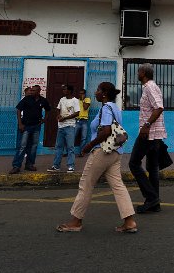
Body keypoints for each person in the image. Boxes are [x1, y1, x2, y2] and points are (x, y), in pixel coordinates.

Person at [57, 82, 137, 234]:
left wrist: (88, 146)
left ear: (105, 93)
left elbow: (106, 131)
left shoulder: (106, 108)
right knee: (118, 186)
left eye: (98, 90)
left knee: (86, 183)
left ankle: (76, 221)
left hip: (102, 151)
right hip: (116, 152)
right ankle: (129, 221)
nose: (96, 92)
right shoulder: (114, 108)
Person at [129, 63, 166, 214]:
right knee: (152, 168)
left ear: (143, 72)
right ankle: (154, 203)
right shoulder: (150, 87)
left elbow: (159, 107)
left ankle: (151, 198)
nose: (137, 73)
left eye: (138, 71)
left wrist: (146, 125)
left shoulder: (150, 87)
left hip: (149, 133)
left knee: (133, 163)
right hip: (154, 133)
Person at [10, 85, 51, 174]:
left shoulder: (43, 100)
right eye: (31, 90)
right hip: (26, 126)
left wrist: (45, 119)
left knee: (33, 146)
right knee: (22, 146)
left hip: (36, 126)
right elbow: (18, 110)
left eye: (34, 90)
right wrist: (20, 124)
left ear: (39, 91)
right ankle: (16, 166)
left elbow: (48, 109)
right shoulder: (27, 99)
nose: (31, 92)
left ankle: (29, 164)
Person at [48, 85, 81, 173]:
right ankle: (56, 165)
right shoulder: (62, 99)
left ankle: (71, 166)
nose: (63, 90)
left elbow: (77, 113)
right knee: (58, 147)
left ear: (70, 90)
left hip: (70, 126)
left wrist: (65, 118)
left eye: (65, 89)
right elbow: (58, 109)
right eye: (63, 89)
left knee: (70, 147)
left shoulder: (75, 101)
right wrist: (58, 115)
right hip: (61, 126)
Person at [75, 88, 92, 157]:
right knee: (73, 137)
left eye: (82, 93)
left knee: (83, 138)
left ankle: (82, 152)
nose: (81, 94)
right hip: (77, 120)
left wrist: (82, 100)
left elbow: (85, 108)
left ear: (85, 94)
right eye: (80, 93)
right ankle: (69, 151)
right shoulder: (76, 101)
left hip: (84, 121)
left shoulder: (87, 100)